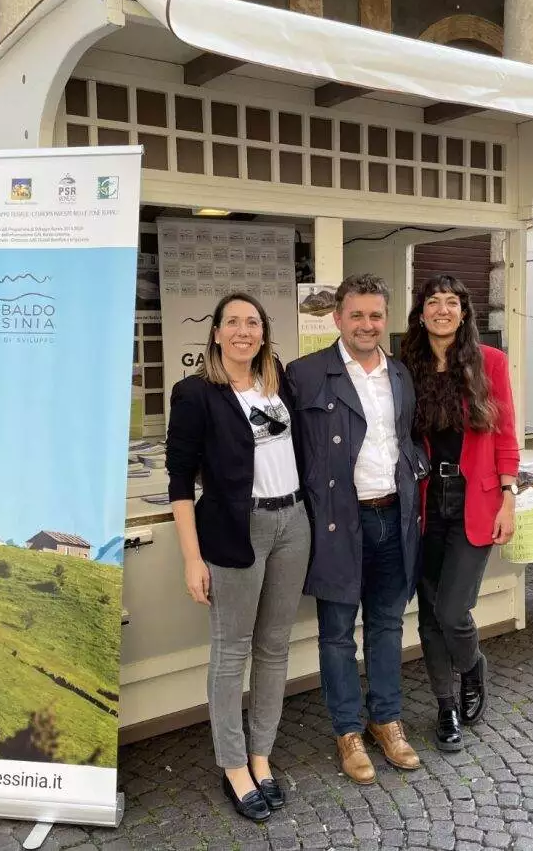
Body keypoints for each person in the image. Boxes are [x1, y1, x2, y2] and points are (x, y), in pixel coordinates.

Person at [166, 293, 311, 822]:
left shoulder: (280, 386)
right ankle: (232, 765)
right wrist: (191, 558)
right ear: (217, 333)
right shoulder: (195, 393)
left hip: (294, 523)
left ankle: (261, 755)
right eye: (234, 323)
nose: (243, 331)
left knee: (275, 647)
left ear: (264, 333)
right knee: (232, 653)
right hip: (234, 529)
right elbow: (179, 482)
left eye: (253, 323)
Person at [287, 273, 427, 785]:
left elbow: (405, 441)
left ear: (383, 319)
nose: (367, 325)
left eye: (375, 315)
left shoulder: (401, 376)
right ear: (337, 318)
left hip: (393, 515)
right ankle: (347, 730)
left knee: (389, 624)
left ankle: (386, 719)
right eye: (356, 315)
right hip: (337, 522)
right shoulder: (304, 375)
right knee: (337, 634)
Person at [398, 274, 518, 752]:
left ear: (464, 312)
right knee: (428, 615)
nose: (442, 310)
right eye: (433, 302)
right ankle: (445, 705)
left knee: (452, 610)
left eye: (452, 302)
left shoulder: (490, 362)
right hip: (426, 504)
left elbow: (506, 432)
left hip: (475, 499)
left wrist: (510, 497)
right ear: (421, 312)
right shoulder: (408, 365)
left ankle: (472, 668)